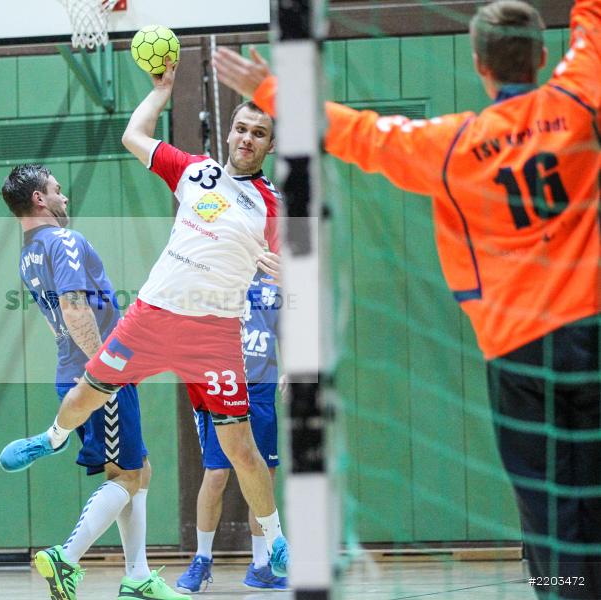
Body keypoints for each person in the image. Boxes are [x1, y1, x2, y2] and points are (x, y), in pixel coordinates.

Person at [215, 2, 601, 598]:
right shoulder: (580, 100)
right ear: (543, 55)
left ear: (479, 66)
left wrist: (271, 87)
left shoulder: (452, 145)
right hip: (593, 333)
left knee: (550, 512)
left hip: (521, 354)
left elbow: (355, 134)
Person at [0, 56, 291, 597]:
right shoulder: (195, 170)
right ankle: (52, 438)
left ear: (270, 145)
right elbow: (134, 133)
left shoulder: (272, 203)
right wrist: (161, 90)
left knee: (241, 448)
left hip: (214, 331)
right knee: (88, 393)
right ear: (230, 132)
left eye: (260, 133)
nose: (248, 138)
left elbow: (298, 255)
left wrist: (286, 263)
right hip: (155, 313)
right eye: (243, 128)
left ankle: (273, 541)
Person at [0, 164, 188, 600]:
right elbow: (73, 308)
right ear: (39, 200)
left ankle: (137, 576)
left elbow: (53, 323)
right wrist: (103, 369)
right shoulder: (63, 240)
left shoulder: (28, 253)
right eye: (57, 191)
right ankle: (67, 557)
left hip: (77, 371)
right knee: (126, 476)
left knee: (137, 467)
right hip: (99, 374)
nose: (65, 198)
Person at [176, 273, 286, 592]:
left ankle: (263, 565)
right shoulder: (211, 275)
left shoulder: (273, 281)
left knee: (264, 474)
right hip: (221, 384)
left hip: (261, 388)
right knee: (216, 475)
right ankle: (202, 559)